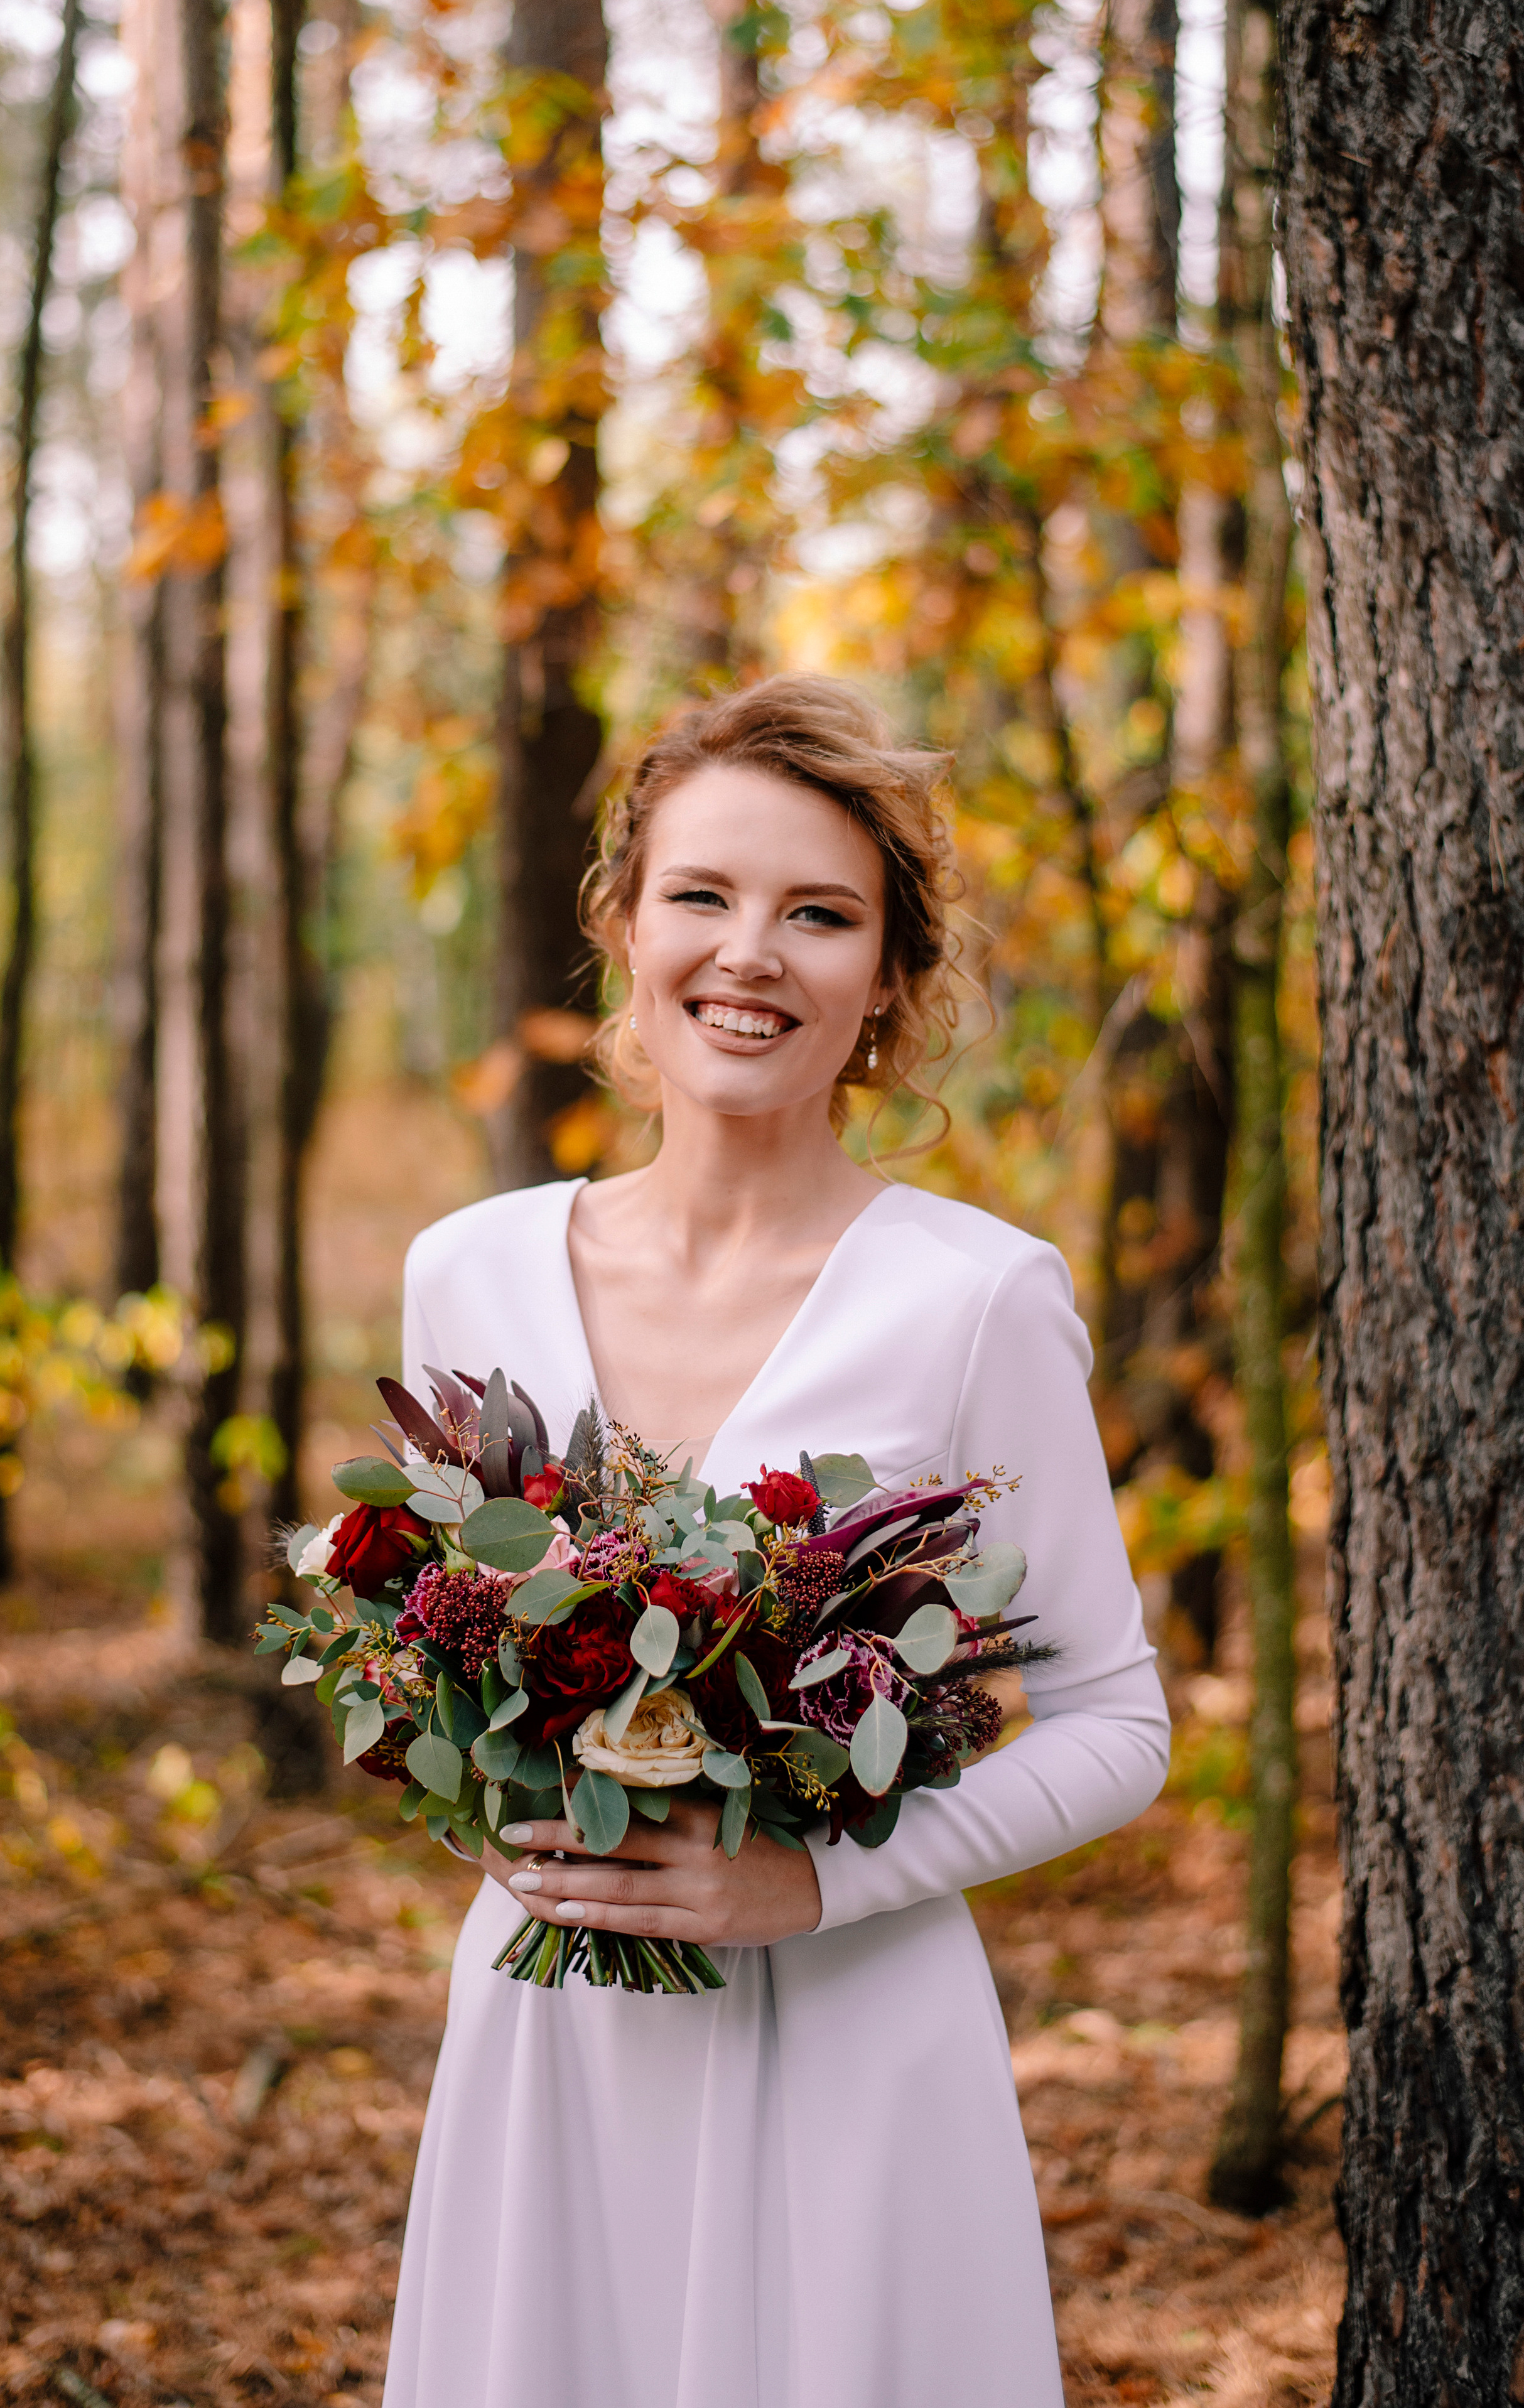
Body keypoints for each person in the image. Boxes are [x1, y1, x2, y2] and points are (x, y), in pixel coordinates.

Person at [382, 677, 1170, 2408]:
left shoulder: (978, 1297)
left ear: (887, 977)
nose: (751, 953)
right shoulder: (468, 1271)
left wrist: (811, 1884)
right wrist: (494, 1797)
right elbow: (436, 1655)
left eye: (820, 914)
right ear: (623, 923)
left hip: (854, 2046)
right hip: (555, 2031)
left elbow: (1119, 1725)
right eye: (704, 894)